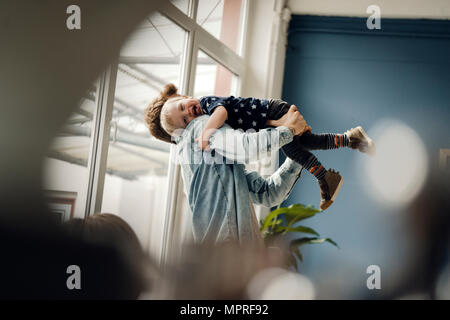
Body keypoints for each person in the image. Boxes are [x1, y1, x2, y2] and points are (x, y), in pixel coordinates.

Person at [149, 84, 376, 210]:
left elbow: (239, 132)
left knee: (296, 149)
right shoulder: (203, 125)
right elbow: (253, 118)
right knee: (308, 142)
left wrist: (206, 134)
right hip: (272, 115)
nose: (190, 114)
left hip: (272, 112)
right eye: (185, 122)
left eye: (182, 105)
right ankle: (351, 138)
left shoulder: (207, 113)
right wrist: (283, 126)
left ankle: (324, 177)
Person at [145, 84, 309, 244]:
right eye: (179, 104)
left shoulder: (195, 164)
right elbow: (244, 147)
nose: (189, 104)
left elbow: (267, 193)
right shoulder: (199, 126)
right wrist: (289, 130)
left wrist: (298, 153)